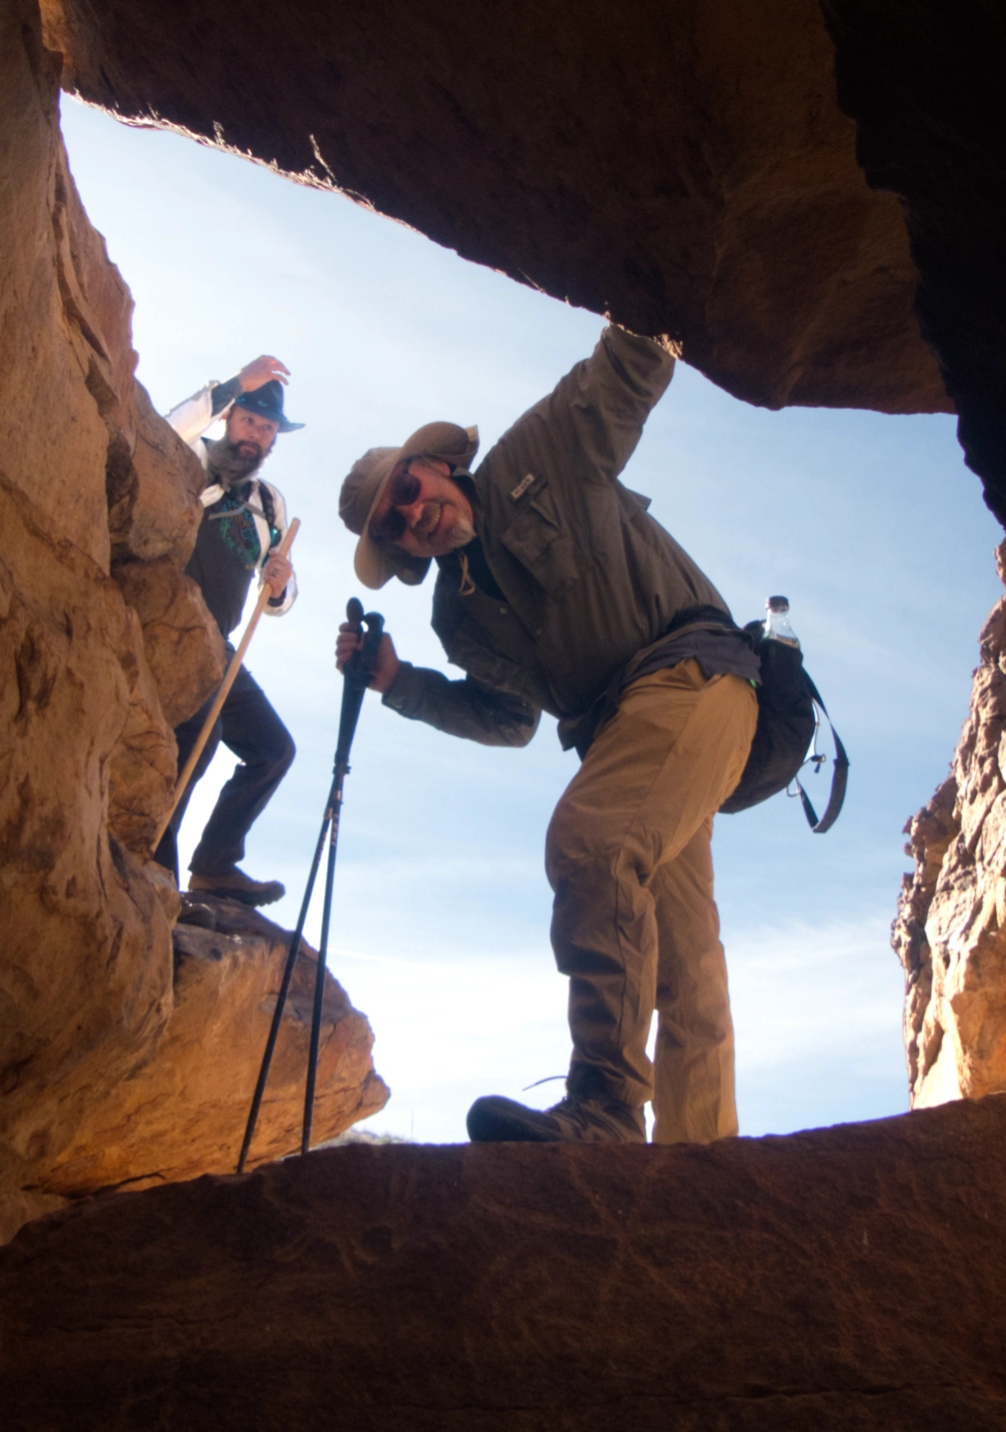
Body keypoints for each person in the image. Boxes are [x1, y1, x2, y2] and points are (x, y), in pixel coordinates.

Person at [334, 325, 760, 1144]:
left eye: (409, 488)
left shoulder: (544, 451)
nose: (413, 514)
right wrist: (398, 683)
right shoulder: (456, 619)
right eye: (394, 524)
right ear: (398, 549)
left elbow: (631, 366)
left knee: (590, 844)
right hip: (627, 742)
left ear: (438, 466)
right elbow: (510, 721)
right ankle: (701, 1180)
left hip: (695, 679)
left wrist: (647, 284)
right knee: (685, 972)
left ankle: (603, 1104)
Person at [157, 355, 302, 907]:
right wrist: (237, 383)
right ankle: (156, 867)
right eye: (249, 420)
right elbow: (168, 428)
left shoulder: (270, 504)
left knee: (273, 749)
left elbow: (279, 600)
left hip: (220, 647)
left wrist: (282, 583)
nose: (256, 435)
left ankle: (215, 866)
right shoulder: (189, 460)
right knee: (198, 737)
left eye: (266, 429)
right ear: (229, 419)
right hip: (171, 624)